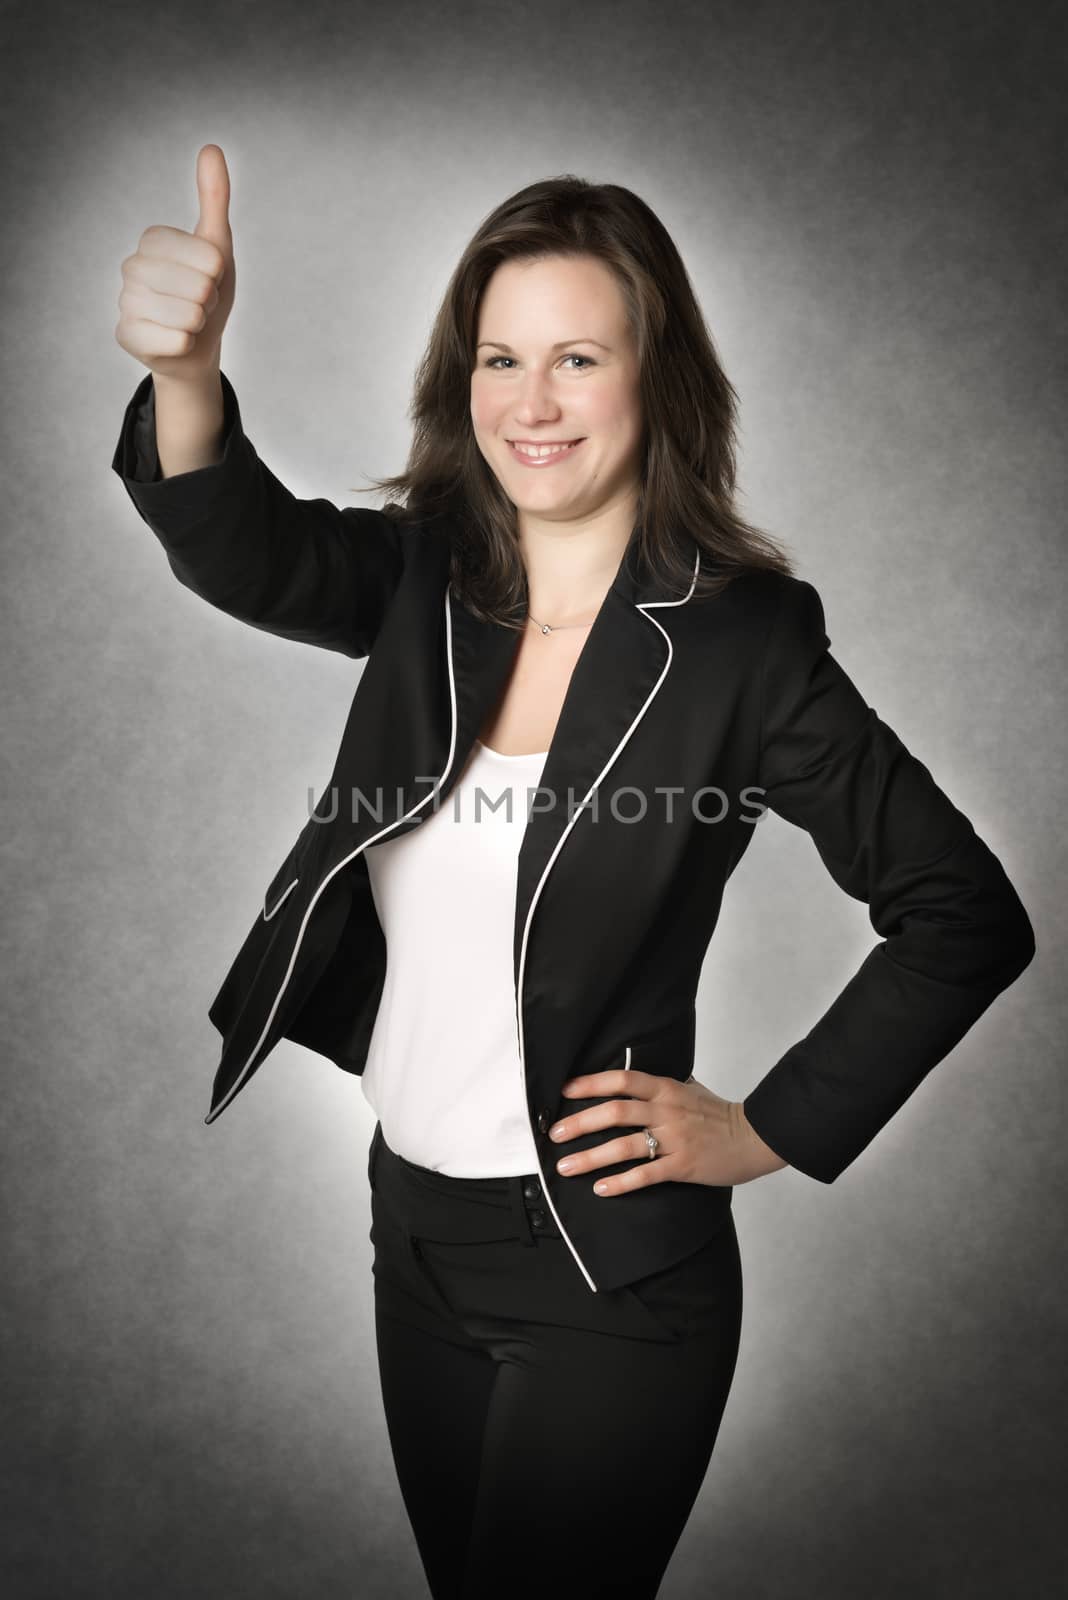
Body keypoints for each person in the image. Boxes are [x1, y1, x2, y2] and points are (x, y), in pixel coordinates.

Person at [111, 144, 1036, 1600]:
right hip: (410, 1233)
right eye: (499, 358)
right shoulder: (434, 581)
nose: (529, 404)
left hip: (604, 1277)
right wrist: (188, 370)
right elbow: (247, 552)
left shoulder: (743, 646)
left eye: (577, 358)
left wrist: (768, 1127)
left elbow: (962, 914)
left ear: (654, 382)